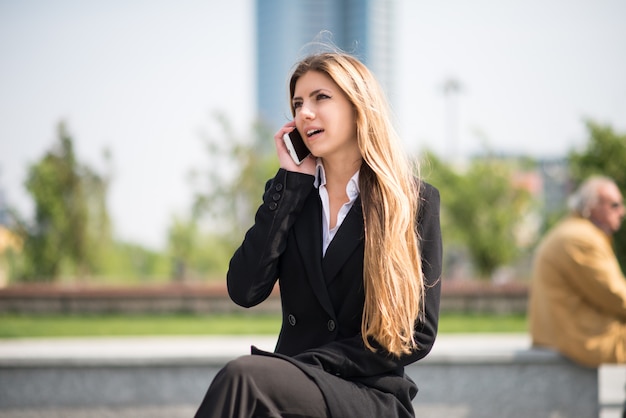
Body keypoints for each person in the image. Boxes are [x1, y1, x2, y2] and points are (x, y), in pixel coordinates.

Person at [194, 51, 442, 418]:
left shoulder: (409, 201)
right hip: (292, 382)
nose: (304, 113)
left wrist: (311, 364)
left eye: (320, 98)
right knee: (250, 387)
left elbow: (417, 334)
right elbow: (244, 290)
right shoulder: (293, 196)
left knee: (243, 378)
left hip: (367, 393)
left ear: (359, 107)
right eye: (297, 104)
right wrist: (291, 186)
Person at [529, 175, 626, 367]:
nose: (622, 211)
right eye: (614, 205)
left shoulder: (572, 231)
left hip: (565, 334)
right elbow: (615, 296)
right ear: (592, 207)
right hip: (582, 337)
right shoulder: (582, 239)